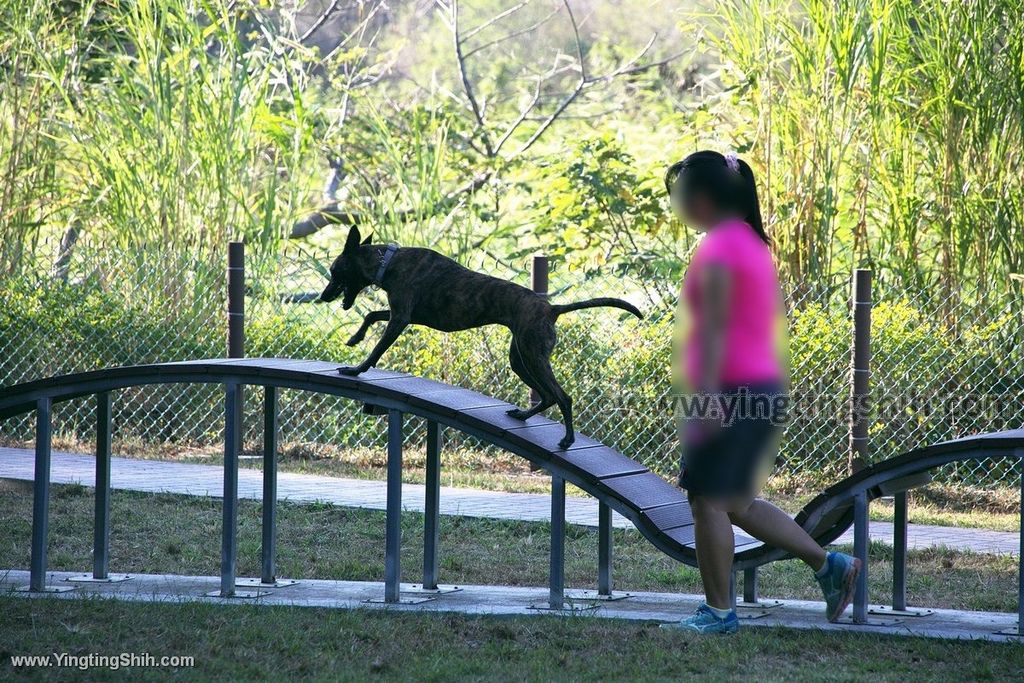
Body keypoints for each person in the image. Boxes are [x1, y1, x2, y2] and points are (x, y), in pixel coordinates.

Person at [660, 150, 860, 634]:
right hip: (760, 387)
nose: (676, 207)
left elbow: (712, 328)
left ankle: (719, 613)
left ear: (702, 200)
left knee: (706, 500)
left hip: (729, 390)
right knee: (736, 501)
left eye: (680, 197)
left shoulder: (719, 246)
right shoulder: (749, 241)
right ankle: (830, 567)